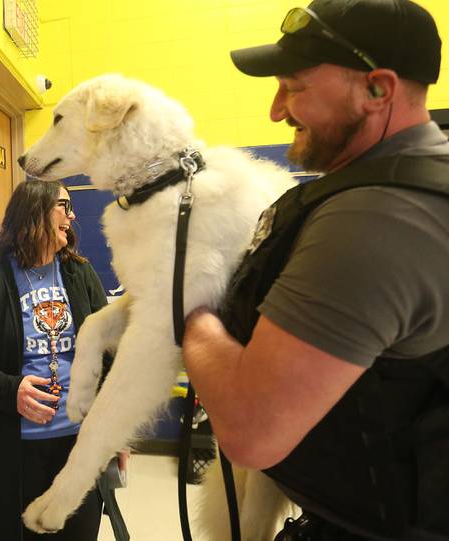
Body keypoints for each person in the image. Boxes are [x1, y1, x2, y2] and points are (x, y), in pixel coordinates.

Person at [181, 1, 449, 539]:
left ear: (379, 90)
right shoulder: (417, 179)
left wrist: (189, 311)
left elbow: (252, 433)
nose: (277, 110)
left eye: (294, 87)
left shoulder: (376, 217)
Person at [0, 180, 108, 540]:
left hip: (79, 448)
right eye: (63, 206)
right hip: (14, 453)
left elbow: (108, 349)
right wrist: (11, 390)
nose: (72, 215)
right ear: (35, 211)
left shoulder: (79, 275)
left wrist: (116, 430)